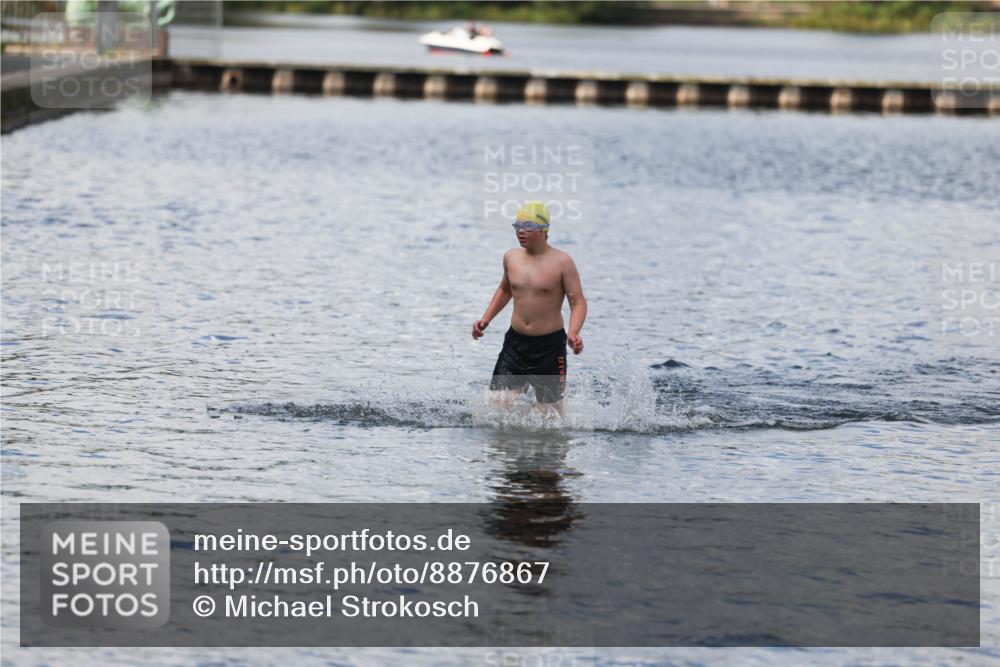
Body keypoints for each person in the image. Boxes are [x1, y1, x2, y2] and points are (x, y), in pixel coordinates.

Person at [472, 202, 587, 417]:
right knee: (497, 406)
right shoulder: (511, 258)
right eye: (517, 226)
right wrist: (486, 319)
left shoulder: (562, 262)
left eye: (527, 226)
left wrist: (574, 333)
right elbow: (505, 290)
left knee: (551, 414)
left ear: (544, 230)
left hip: (549, 348)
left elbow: (578, 302)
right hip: (515, 344)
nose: (521, 232)